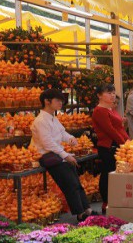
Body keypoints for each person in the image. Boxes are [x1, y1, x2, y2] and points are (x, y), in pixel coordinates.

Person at [31, 89, 96, 222]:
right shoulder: (40, 120)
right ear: (47, 101)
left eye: (62, 100)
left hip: (57, 155)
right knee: (70, 183)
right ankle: (80, 213)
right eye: (58, 100)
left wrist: (71, 138)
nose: (61, 103)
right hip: (48, 156)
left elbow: (62, 133)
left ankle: (87, 209)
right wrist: (65, 155)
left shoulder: (53, 118)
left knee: (76, 182)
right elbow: (47, 143)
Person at [91, 84, 129, 214]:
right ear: (99, 95)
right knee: (108, 175)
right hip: (108, 147)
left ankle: (114, 201)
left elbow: (120, 128)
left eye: (113, 92)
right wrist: (124, 143)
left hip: (117, 146)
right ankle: (106, 203)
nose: (112, 95)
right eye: (108, 92)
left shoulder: (111, 109)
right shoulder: (99, 111)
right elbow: (110, 131)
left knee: (115, 175)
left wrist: (127, 142)